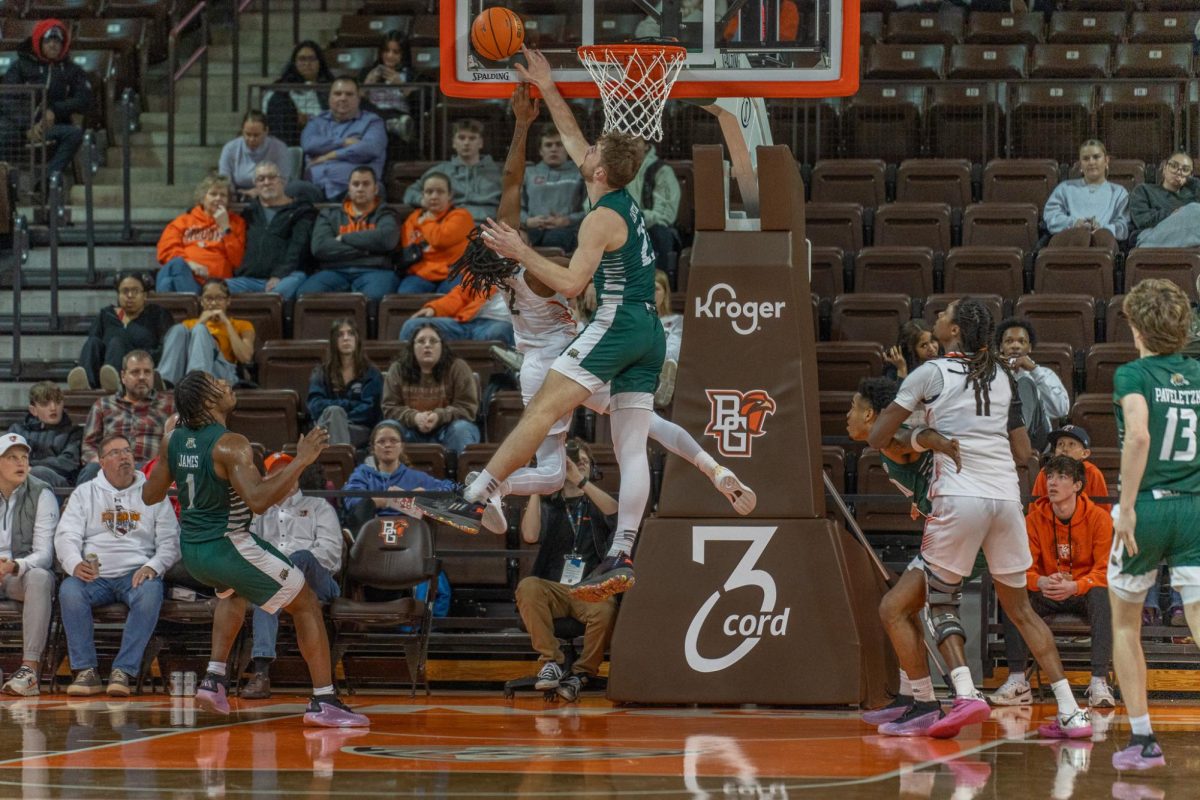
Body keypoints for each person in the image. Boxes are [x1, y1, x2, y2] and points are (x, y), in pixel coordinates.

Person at [413, 70, 726, 607]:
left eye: (593, 151)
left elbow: (569, 273)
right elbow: (544, 170)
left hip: (589, 339)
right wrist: (541, 99)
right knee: (633, 437)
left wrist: (538, 104)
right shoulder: (613, 198)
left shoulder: (567, 234)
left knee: (552, 439)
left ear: (598, 170)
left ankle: (481, 493)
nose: (585, 150)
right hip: (622, 334)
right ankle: (639, 532)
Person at [867, 298, 1091, 739]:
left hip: (959, 496)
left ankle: (965, 694)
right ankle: (1071, 712)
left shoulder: (930, 373)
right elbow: (1025, 454)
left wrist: (923, 435)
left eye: (943, 315)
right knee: (1022, 610)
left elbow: (877, 436)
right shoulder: (1005, 375)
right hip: (1007, 499)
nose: (937, 319)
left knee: (940, 600)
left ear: (953, 332)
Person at [142, 371, 367, 726]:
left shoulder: (173, 438)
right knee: (306, 603)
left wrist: (177, 459)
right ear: (205, 402)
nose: (227, 385)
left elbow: (150, 494)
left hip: (195, 551)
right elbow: (260, 501)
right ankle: (325, 701)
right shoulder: (231, 444)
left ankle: (214, 681)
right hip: (229, 544)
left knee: (233, 593)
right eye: (218, 384)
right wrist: (302, 460)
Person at [846, 377, 992, 739]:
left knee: (893, 608)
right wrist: (920, 501)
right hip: (958, 525)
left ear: (869, 414)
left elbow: (920, 436)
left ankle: (926, 704)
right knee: (901, 609)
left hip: (961, 534)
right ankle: (910, 696)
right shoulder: (885, 445)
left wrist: (941, 443)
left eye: (852, 407)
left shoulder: (892, 439)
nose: (847, 415)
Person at [1106, 278, 1200, 770]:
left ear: (1136, 325)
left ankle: (1143, 741)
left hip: (1149, 505)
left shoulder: (1134, 374)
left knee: (1125, 624)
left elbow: (1138, 436)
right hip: (1196, 508)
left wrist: (1127, 506)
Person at [55, 434, 179, 697]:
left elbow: (171, 541)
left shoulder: (152, 492)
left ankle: (123, 670)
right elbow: (66, 535)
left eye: (127, 451)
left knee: (151, 592)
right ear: (101, 462)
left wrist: (153, 566)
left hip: (136, 574)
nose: (123, 457)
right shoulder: (85, 493)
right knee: (69, 590)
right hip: (94, 576)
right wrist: (75, 564)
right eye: (114, 453)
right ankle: (86, 671)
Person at [990, 455, 1115, 709]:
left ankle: (1099, 681)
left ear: (1078, 485)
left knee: (1104, 596)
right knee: (1013, 596)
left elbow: (1104, 571)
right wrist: (1041, 582)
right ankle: (1017, 680)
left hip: (1082, 590)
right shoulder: (1033, 521)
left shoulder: (1099, 519)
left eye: (1062, 477)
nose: (1053, 483)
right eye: (1049, 476)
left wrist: (1076, 585)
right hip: (1048, 589)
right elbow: (1022, 572)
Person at [517, 439, 618, 703]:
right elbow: (529, 535)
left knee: (606, 609)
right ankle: (552, 661)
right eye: (570, 464)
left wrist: (581, 481)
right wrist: (537, 484)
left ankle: (581, 674)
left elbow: (615, 513)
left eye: (583, 462)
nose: (576, 468)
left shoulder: (598, 501)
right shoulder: (549, 504)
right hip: (554, 588)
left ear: (592, 468)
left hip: (590, 589)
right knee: (527, 586)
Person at [240, 456, 342, 700]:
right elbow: (248, 552)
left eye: (288, 471)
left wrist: (286, 566)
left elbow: (331, 555)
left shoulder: (318, 506)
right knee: (269, 592)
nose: (284, 477)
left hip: (317, 582)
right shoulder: (258, 513)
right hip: (276, 584)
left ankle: (262, 672)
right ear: (266, 480)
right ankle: (261, 674)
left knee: (301, 557)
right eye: (276, 474)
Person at [0, 433, 59, 697]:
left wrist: (14, 566)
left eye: (24, 457)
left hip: (17, 574)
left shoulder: (42, 493)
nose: (20, 463)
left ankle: (29, 671)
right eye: (11, 458)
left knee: (40, 577)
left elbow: (45, 554)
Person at [0, 19, 90, 181]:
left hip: (48, 127)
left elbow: (84, 99)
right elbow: (8, 99)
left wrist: (54, 110)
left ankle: (47, 180)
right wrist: (28, 126)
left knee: (74, 134)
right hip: (18, 126)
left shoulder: (71, 70)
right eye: (48, 40)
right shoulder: (20, 66)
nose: (53, 45)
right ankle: (6, 188)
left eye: (57, 41)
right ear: (39, 41)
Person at [298, 165, 399, 303]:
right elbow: (320, 248)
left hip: (375, 271)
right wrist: (369, 250)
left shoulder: (386, 214)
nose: (360, 188)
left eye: (366, 184)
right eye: (355, 184)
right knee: (306, 295)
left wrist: (344, 238)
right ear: (349, 189)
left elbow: (387, 240)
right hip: (334, 271)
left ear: (375, 189)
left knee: (374, 297)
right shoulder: (328, 215)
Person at [380, 324, 480, 455]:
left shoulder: (458, 368)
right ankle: (389, 476)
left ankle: (464, 475)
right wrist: (414, 417)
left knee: (461, 429)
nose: (427, 345)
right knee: (387, 428)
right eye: (421, 341)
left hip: (448, 428)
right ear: (412, 347)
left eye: (433, 341)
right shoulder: (398, 369)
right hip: (410, 429)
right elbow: (389, 408)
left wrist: (439, 416)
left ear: (441, 346)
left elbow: (468, 408)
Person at [79, 350, 175, 485]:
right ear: (123, 376)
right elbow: (89, 444)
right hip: (110, 467)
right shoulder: (103, 405)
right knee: (91, 470)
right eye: (135, 372)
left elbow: (179, 443)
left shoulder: (169, 405)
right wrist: (97, 459)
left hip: (150, 468)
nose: (142, 377)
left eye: (147, 372)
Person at [68, 272, 175, 392]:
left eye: (135, 291)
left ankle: (115, 382)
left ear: (145, 295)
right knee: (92, 342)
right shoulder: (107, 314)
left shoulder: (157, 314)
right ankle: (85, 384)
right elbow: (93, 347)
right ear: (118, 295)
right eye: (125, 291)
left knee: (116, 343)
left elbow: (164, 349)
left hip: (137, 368)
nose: (130, 295)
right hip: (103, 372)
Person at [341, 420, 456, 529]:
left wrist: (426, 495)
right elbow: (351, 500)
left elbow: (450, 488)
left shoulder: (416, 477)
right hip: (372, 530)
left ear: (401, 446)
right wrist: (376, 502)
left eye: (393, 441)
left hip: (408, 532)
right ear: (373, 448)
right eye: (381, 441)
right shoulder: (363, 474)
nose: (387, 445)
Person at [229, 162, 314, 301]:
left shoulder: (302, 211)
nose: (266, 182)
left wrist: (279, 275)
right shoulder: (249, 213)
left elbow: (298, 248)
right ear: (255, 185)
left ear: (282, 180)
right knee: (219, 289)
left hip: (288, 277)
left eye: (272, 177)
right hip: (250, 279)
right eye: (261, 179)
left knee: (275, 297)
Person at [157, 279, 255, 390]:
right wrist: (201, 321)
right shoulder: (189, 324)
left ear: (228, 301)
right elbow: (183, 355)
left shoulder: (242, 325)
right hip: (186, 373)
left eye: (219, 298)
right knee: (178, 329)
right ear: (202, 301)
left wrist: (227, 323)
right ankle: (165, 382)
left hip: (223, 374)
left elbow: (245, 358)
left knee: (200, 330)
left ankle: (197, 383)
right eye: (208, 298)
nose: (213, 303)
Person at [155, 175, 247, 294]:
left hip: (213, 285)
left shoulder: (236, 223)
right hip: (185, 275)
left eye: (223, 195)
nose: (218, 198)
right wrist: (189, 264)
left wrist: (225, 228)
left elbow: (237, 260)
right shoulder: (183, 221)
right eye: (213, 194)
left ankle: (190, 306)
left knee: (167, 282)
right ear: (203, 198)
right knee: (174, 267)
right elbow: (165, 250)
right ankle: (192, 306)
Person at [300, 77, 386, 200]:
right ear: (330, 98)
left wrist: (329, 155)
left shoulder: (372, 122)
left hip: (352, 188)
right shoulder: (316, 121)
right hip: (315, 186)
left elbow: (370, 149)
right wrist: (344, 142)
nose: (343, 98)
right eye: (337, 94)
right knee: (294, 190)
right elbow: (309, 144)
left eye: (349, 94)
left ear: (358, 99)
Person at [403, 118, 502, 224]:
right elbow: (410, 192)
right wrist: (424, 201)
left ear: (481, 143)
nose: (466, 143)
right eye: (461, 138)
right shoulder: (441, 171)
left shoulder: (497, 172)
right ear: (454, 142)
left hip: (489, 226)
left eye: (472, 138)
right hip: (452, 225)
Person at [996, 316, 1069, 452]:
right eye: (1009, 341)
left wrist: (1034, 371)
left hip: (1036, 439)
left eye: (1021, 341)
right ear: (1001, 347)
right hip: (1003, 431)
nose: (1015, 346)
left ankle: (1016, 443)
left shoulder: (1045, 374)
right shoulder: (994, 373)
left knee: (1025, 383)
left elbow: (1061, 410)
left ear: (1029, 347)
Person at [1043, 139, 1129, 252]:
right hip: (1069, 238)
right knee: (1080, 236)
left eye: (1096, 157)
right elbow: (1051, 216)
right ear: (1080, 164)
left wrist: (1101, 227)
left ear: (1106, 161)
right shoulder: (1065, 188)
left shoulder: (1119, 192)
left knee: (1103, 236)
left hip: (1104, 240)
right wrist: (1074, 223)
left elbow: (1123, 226)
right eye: (1086, 158)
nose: (1091, 162)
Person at [307, 318, 382, 449]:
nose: (346, 338)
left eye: (350, 333)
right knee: (334, 413)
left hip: (357, 429)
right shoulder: (321, 372)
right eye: (340, 335)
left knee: (335, 415)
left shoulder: (371, 372)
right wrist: (345, 408)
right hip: (324, 427)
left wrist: (339, 418)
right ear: (333, 341)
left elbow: (370, 410)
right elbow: (315, 405)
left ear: (357, 339)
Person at [396, 172, 475, 294]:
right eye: (429, 192)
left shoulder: (462, 216)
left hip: (454, 274)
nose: (434, 196)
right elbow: (408, 250)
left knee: (455, 295)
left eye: (440, 192)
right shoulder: (413, 218)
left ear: (450, 195)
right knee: (405, 295)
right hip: (421, 275)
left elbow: (440, 240)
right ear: (423, 195)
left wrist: (427, 220)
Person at [397, 274, 515, 347]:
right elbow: (460, 295)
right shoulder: (487, 267)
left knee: (499, 332)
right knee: (412, 327)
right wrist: (434, 308)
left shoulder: (530, 274)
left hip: (500, 324)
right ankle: (407, 378)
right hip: (466, 323)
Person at [521, 123, 585, 251]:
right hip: (532, 229)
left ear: (567, 148)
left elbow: (591, 209)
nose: (554, 149)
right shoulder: (528, 173)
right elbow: (515, 207)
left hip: (567, 230)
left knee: (553, 240)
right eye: (548, 145)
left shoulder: (580, 174)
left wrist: (568, 220)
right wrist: (527, 221)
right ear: (540, 150)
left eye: (559, 144)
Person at [8, 381, 82, 488]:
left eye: (57, 402)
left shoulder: (74, 432)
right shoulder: (18, 431)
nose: (53, 408)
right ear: (33, 410)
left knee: (38, 473)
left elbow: (67, 463)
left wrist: (31, 466)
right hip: (19, 479)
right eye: (45, 404)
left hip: (59, 484)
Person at [625, 137, 681, 274]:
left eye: (635, 141)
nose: (630, 146)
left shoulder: (662, 171)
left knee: (659, 233)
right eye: (626, 141)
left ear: (646, 145)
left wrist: (634, 217)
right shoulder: (615, 170)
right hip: (620, 224)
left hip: (651, 227)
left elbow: (666, 215)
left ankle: (657, 282)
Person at [265, 41, 336, 147]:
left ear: (320, 62)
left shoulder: (332, 87)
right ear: (294, 62)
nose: (307, 64)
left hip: (324, 136)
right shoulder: (281, 88)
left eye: (312, 59)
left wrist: (311, 120)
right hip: (291, 136)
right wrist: (293, 116)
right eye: (302, 59)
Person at [1128, 151, 1200, 248]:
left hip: (1185, 236)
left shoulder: (1193, 192)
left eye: (1185, 169)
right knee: (1194, 209)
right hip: (1150, 236)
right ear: (1164, 168)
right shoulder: (1144, 190)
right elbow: (1142, 220)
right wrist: (1172, 213)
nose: (1179, 172)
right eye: (1174, 166)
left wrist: (1191, 181)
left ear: (1190, 175)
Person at [1030, 425, 1110, 511]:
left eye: (1071, 444)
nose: (1064, 449)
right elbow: (1035, 510)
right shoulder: (1045, 472)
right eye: (1060, 444)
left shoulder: (1093, 473)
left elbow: (1103, 511)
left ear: (1085, 453)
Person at [218, 110, 292, 199]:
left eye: (256, 135)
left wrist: (257, 191)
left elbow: (283, 180)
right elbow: (224, 179)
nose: (252, 139)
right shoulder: (230, 148)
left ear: (266, 131)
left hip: (271, 195)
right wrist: (236, 193)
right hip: (238, 196)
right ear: (242, 131)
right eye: (248, 134)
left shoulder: (279, 148)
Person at [358, 30, 414, 145]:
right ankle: (389, 123)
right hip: (371, 115)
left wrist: (402, 85)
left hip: (399, 115)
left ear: (404, 54)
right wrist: (366, 85)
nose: (390, 56)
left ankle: (390, 123)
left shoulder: (412, 75)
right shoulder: (367, 72)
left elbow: (420, 103)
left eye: (396, 52)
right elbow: (356, 100)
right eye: (386, 51)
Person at [653, 269, 682, 407]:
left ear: (665, 293)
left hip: (663, 364)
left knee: (670, 362)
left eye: (656, 289)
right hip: (641, 366)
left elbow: (674, 351)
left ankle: (662, 387)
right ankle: (658, 390)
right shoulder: (633, 320)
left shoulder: (677, 320)